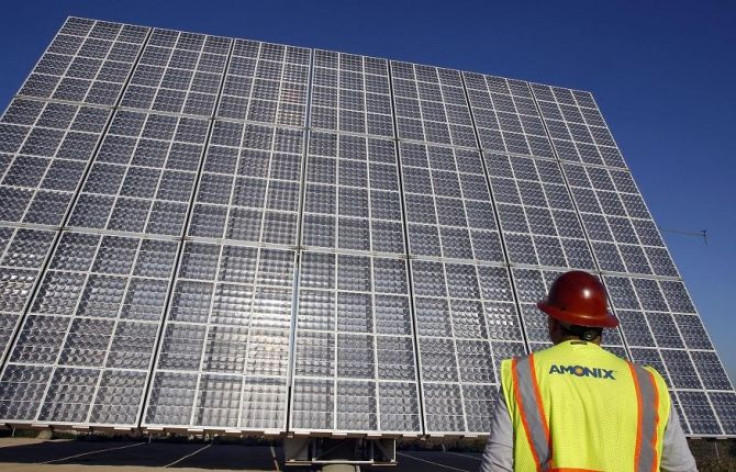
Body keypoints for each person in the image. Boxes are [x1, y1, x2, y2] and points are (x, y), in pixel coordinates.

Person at [480, 270, 697, 472]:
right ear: (602, 326)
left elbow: (497, 464)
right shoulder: (648, 383)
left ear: (552, 322)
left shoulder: (524, 375)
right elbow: (682, 467)